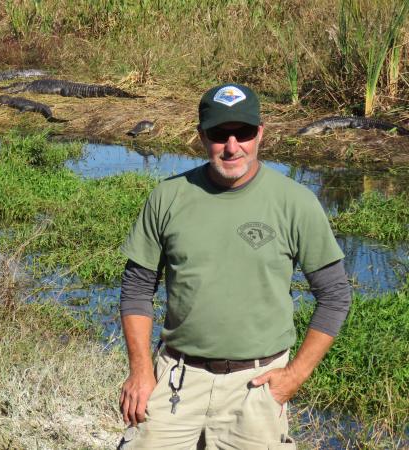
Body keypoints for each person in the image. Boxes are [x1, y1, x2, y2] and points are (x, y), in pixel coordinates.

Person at [116, 84, 352, 449]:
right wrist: (141, 371)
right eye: (218, 134)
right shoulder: (167, 196)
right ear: (200, 136)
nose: (231, 146)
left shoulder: (296, 203)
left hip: (255, 388)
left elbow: (335, 295)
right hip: (176, 380)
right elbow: (136, 289)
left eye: (242, 133)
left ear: (260, 133)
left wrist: (295, 375)